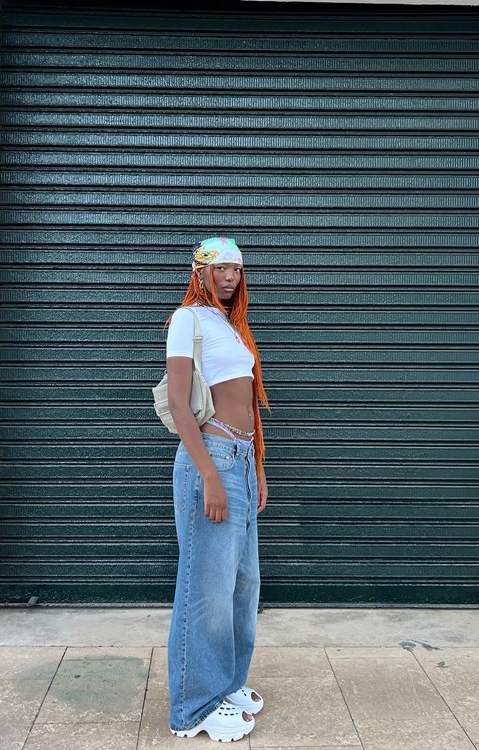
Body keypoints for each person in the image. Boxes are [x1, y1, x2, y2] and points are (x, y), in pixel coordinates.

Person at [164, 237, 269, 742]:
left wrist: (258, 470)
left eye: (236, 270)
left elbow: (248, 404)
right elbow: (181, 404)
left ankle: (225, 684)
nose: (230, 277)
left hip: (242, 461)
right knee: (205, 586)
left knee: (243, 584)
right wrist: (209, 474)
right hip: (212, 458)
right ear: (199, 270)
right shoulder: (188, 319)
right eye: (220, 268)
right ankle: (193, 706)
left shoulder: (231, 324)